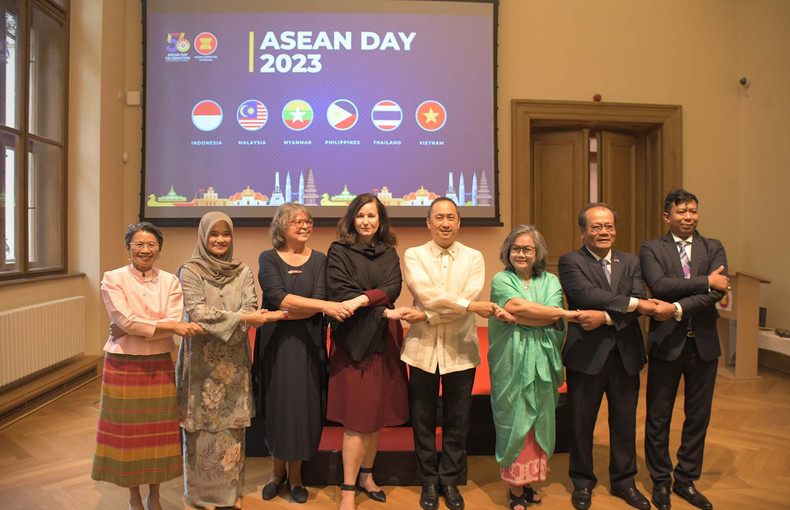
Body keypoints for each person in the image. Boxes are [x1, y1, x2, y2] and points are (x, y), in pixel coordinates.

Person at [558, 203, 665, 510]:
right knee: (581, 423)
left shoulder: (630, 261)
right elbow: (586, 295)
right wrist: (635, 304)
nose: (604, 232)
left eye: (609, 226)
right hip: (586, 356)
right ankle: (582, 482)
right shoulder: (570, 262)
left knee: (624, 423)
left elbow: (638, 303)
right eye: (596, 227)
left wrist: (605, 317)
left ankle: (624, 481)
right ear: (583, 232)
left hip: (626, 356)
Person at [92, 222, 204, 510]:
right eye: (139, 244)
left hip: (158, 363)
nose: (145, 250)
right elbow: (125, 320)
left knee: (158, 435)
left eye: (151, 244)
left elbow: (163, 320)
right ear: (128, 247)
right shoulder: (113, 278)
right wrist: (159, 326)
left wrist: (133, 326)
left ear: (159, 249)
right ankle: (133, 497)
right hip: (122, 363)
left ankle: (154, 495)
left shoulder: (170, 281)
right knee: (128, 435)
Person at [401, 197, 499, 510]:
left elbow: (461, 300)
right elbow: (428, 296)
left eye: (451, 218)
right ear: (428, 223)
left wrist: (428, 315)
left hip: (461, 349)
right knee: (423, 420)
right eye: (439, 218)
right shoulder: (414, 254)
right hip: (421, 350)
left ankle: (450, 481)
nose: (445, 223)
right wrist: (468, 306)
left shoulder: (474, 257)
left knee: (459, 420)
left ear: (459, 222)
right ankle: (429, 481)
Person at [252, 203, 352, 503]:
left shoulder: (320, 259)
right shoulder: (268, 257)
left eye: (308, 221)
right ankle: (275, 474)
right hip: (275, 345)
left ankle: (296, 477)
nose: (305, 225)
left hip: (309, 344)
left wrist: (297, 309)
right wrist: (320, 307)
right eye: (297, 221)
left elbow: (315, 298)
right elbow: (277, 297)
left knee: (302, 409)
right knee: (276, 405)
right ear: (281, 225)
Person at [176, 211, 276, 510]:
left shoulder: (242, 270)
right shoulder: (190, 270)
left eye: (226, 234)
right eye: (214, 234)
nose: (220, 239)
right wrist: (242, 319)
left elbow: (252, 306)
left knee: (231, 427)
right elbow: (197, 311)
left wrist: (242, 318)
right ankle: (200, 495)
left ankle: (230, 494)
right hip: (200, 363)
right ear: (203, 236)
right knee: (201, 427)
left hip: (233, 361)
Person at [640, 190, 728, 510]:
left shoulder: (713, 247)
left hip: (704, 343)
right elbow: (660, 285)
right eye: (681, 212)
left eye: (693, 211)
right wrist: (706, 281)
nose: (688, 217)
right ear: (668, 216)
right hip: (666, 343)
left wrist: (676, 308)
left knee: (698, 416)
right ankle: (661, 480)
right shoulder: (651, 248)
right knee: (658, 415)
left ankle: (686, 479)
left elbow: (717, 293)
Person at [325, 193, 412, 510]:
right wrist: (381, 307)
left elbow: (393, 287)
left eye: (371, 216)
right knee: (356, 419)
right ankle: (348, 489)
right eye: (360, 215)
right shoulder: (338, 251)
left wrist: (362, 300)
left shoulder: (389, 252)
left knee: (377, 417)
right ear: (351, 219)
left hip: (384, 339)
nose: (365, 221)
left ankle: (367, 476)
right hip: (353, 341)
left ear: (381, 220)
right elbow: (340, 291)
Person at [487, 225, 581, 510]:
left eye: (527, 249)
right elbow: (517, 306)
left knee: (539, 417)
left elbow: (549, 317)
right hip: (511, 362)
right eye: (516, 249)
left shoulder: (551, 280)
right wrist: (559, 313)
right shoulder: (501, 279)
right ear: (507, 251)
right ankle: (514, 488)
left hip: (543, 363)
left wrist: (521, 318)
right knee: (515, 419)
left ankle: (528, 483)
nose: (521, 254)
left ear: (537, 252)